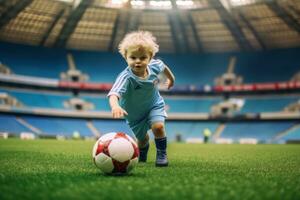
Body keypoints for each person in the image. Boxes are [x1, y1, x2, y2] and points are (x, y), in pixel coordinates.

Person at [107, 31, 175, 167]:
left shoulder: (155, 65)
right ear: (126, 57)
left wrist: (171, 79)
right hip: (134, 115)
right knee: (142, 140)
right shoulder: (125, 77)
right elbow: (114, 93)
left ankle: (162, 154)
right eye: (133, 57)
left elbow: (163, 66)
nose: (138, 61)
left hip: (153, 105)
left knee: (158, 127)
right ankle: (142, 153)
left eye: (143, 57)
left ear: (150, 58)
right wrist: (115, 106)